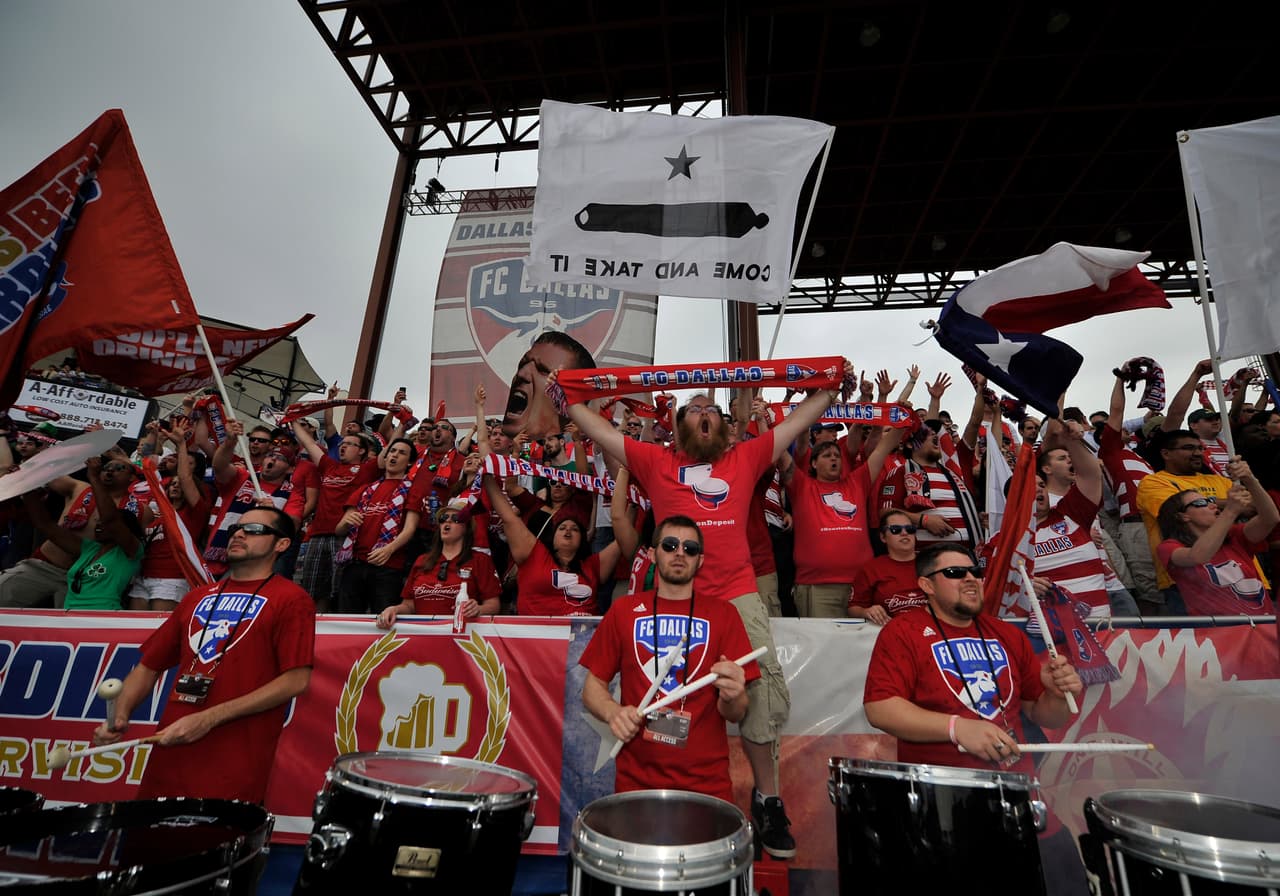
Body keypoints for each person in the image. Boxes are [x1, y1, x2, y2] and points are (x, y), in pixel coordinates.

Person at [565, 378, 841, 860]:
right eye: (694, 410)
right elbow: (595, 428)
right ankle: (655, 792)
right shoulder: (656, 461)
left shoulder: (744, 457)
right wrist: (569, 396)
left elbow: (803, 418)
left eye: (712, 408)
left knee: (761, 695)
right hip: (670, 598)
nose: (704, 413)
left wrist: (832, 388)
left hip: (736, 596)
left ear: (727, 430)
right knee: (660, 689)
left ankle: (767, 797)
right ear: (676, 428)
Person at [863, 543, 1088, 894]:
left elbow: (1045, 714)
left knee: (1067, 880)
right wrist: (957, 728)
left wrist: (1058, 694)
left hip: (1021, 800)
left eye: (974, 572)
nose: (970, 579)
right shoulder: (903, 631)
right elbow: (880, 708)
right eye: (954, 573)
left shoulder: (1007, 634)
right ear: (926, 585)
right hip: (943, 808)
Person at [94, 506, 315, 803]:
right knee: (146, 842)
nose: (238, 533)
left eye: (254, 530)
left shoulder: (292, 599)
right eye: (236, 528)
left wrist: (209, 718)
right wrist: (119, 716)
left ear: (282, 544)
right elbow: (148, 666)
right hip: (170, 755)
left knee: (208, 843)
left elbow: (296, 681)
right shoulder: (197, 596)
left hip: (233, 762)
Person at [580, 516, 754, 803]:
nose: (680, 553)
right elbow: (592, 688)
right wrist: (613, 712)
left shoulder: (725, 615)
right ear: (652, 553)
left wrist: (733, 696)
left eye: (690, 548)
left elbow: (736, 712)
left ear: (700, 560)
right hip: (635, 784)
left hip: (707, 785)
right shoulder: (623, 610)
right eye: (670, 545)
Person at [483, 473, 621, 615]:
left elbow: (622, 537)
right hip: (538, 635)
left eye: (575, 529)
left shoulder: (593, 565)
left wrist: (633, 504)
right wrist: (487, 476)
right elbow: (508, 516)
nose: (568, 530)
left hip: (581, 635)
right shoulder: (535, 555)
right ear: (552, 537)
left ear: (582, 540)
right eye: (561, 528)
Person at [1156, 458, 1279, 616]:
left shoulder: (1234, 536)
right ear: (1182, 516)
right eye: (1202, 503)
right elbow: (1198, 556)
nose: (1213, 505)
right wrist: (1230, 511)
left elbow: (1270, 518)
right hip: (1218, 635)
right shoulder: (1169, 547)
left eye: (1210, 501)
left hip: (1261, 628)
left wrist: (1250, 479)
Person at [21, 457, 145, 610]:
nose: (98, 525)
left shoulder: (131, 552)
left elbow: (111, 520)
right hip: (68, 613)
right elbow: (45, 525)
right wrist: (25, 487)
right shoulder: (88, 549)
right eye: (98, 522)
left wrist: (93, 477)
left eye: (119, 468)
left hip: (102, 618)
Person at [1135, 429, 1234, 614]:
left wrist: (1201, 503)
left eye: (1199, 448)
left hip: (1240, 574)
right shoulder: (1152, 482)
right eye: (1188, 448)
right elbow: (1174, 510)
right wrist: (1230, 504)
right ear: (1166, 453)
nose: (1197, 453)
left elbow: (1251, 506)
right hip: (1184, 580)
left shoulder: (1220, 480)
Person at [334, 438, 424, 614]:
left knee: (383, 619)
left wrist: (389, 549)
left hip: (389, 566)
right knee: (348, 618)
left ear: (410, 462)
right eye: (392, 451)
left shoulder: (413, 489)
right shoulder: (365, 489)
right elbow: (339, 529)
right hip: (356, 564)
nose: (395, 455)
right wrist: (346, 522)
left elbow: (410, 529)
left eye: (401, 453)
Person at [377, 505, 502, 625]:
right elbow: (409, 605)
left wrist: (478, 609)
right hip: (424, 635)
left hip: (462, 635)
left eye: (455, 518)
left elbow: (493, 605)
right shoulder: (422, 560)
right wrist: (394, 609)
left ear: (467, 527)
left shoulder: (480, 560)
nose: (447, 522)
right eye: (443, 519)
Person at [502, 329, 595, 440]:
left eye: (543, 371)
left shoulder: (577, 454)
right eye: (522, 364)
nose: (522, 374)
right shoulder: (488, 454)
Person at [848, 510, 925, 623]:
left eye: (910, 529)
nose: (904, 533)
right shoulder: (872, 568)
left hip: (930, 631)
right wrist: (866, 612)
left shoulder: (931, 562)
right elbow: (853, 609)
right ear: (883, 537)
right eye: (896, 530)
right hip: (888, 630)